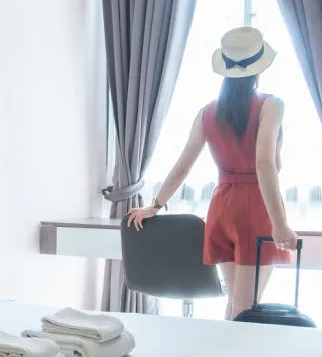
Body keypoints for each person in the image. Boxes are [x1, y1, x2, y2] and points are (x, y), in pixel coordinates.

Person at [127, 27, 298, 319]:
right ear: (258, 68)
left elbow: (183, 165)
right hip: (255, 207)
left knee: (235, 302)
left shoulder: (208, 112)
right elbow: (264, 165)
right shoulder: (271, 105)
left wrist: (156, 205)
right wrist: (280, 225)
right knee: (245, 307)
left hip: (222, 207)